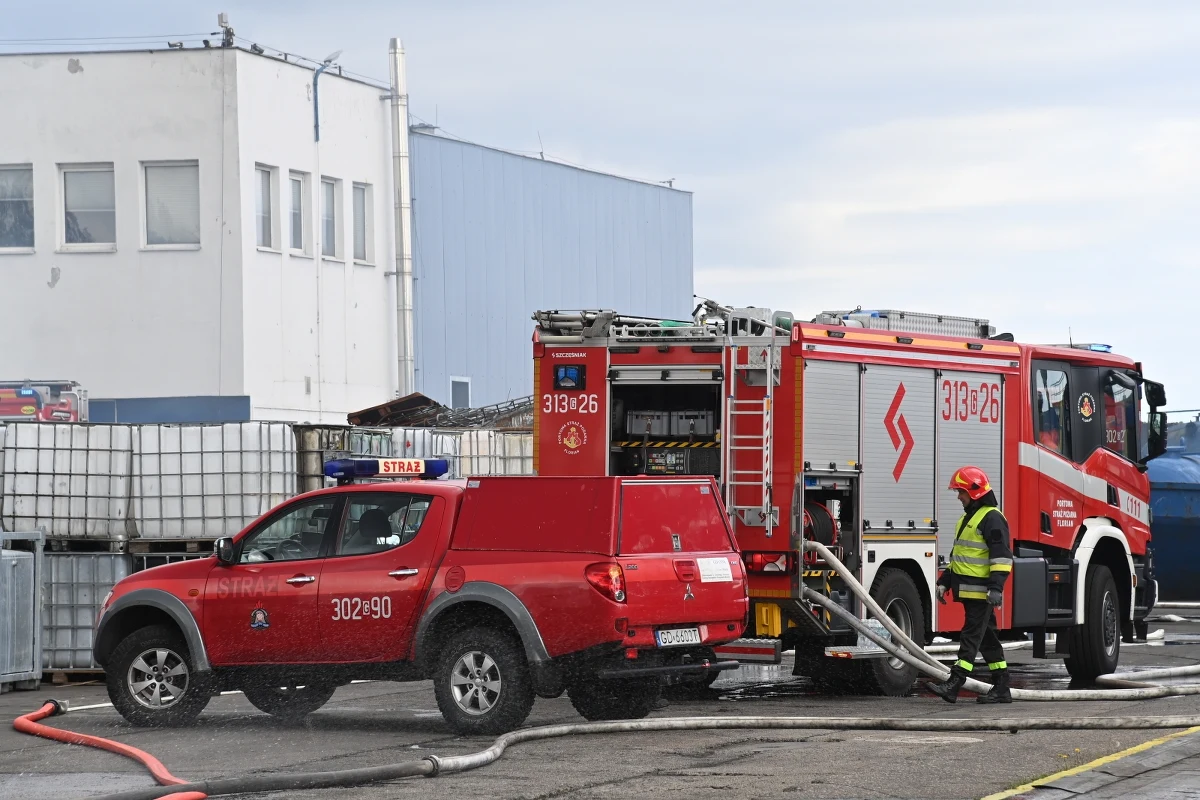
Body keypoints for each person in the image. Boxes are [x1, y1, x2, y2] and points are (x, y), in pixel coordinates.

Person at [926, 466, 1013, 704]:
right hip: (970, 591)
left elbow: (1002, 557)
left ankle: (955, 683)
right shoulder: (969, 518)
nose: (958, 496)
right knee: (986, 639)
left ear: (974, 492)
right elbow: (960, 557)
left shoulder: (992, 518)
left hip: (982, 593)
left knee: (970, 638)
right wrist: (945, 581)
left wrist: (995, 588)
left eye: (961, 492)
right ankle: (1002, 686)